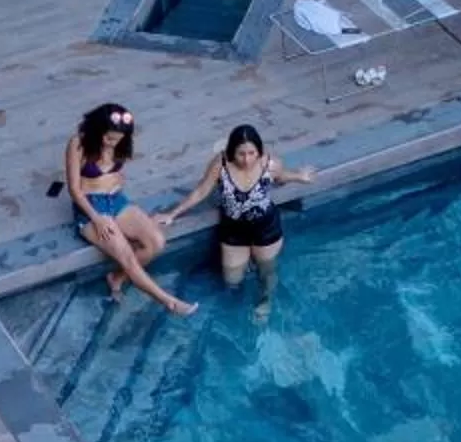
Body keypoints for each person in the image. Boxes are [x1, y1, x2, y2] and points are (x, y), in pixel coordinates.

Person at [64, 103, 194, 316]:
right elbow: (74, 190)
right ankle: (168, 301)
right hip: (90, 207)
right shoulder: (78, 144)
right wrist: (97, 219)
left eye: (117, 139)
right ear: (98, 129)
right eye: (108, 138)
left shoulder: (121, 144)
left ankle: (117, 278)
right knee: (126, 255)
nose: (112, 143)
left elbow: (116, 173)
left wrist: (114, 181)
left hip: (116, 200)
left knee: (156, 242)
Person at [162, 124, 316, 292]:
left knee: (267, 273)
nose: (247, 159)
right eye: (241, 154)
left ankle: (266, 302)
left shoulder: (269, 163)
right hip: (233, 230)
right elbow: (201, 191)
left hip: (265, 227)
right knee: (232, 280)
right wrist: (172, 214)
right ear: (231, 151)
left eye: (252, 153)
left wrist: (300, 176)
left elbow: (281, 176)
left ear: (259, 151)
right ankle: (236, 301)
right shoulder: (221, 164)